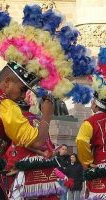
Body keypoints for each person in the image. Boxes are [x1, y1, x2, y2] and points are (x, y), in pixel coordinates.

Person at [0, 5, 94, 199]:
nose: (22, 94)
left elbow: (12, 136)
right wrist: (48, 114)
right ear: (7, 83)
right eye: (23, 88)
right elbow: (38, 140)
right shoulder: (5, 104)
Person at [4, 100, 62, 200]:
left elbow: (25, 143)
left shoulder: (19, 120)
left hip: (26, 167)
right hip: (45, 168)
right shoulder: (39, 120)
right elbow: (47, 144)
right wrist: (44, 153)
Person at [76, 47, 106, 200]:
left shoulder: (90, 122)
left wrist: (87, 162)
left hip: (101, 170)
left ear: (95, 103)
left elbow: (81, 140)